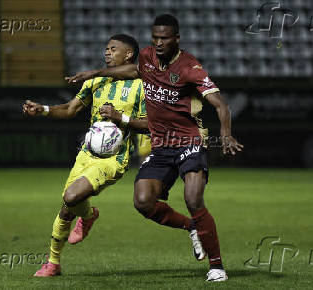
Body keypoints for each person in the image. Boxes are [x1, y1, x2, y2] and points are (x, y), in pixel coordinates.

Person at [66, 14, 243, 282]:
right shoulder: (147, 58)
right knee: (143, 201)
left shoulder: (190, 67)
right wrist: (95, 72)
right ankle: (192, 226)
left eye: (165, 38)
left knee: (193, 198)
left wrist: (227, 134)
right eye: (155, 38)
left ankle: (217, 266)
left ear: (176, 39)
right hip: (161, 146)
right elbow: (132, 70)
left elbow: (220, 104)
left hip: (190, 141)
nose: (159, 43)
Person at [24, 34, 149, 277]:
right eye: (106, 49)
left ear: (129, 54)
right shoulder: (95, 82)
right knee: (67, 205)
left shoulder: (141, 84)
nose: (107, 53)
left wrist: (119, 118)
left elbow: (147, 123)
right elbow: (71, 109)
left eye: (113, 49)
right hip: (86, 153)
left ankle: (89, 215)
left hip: (113, 158)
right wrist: (44, 110)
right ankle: (53, 263)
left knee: (71, 196)